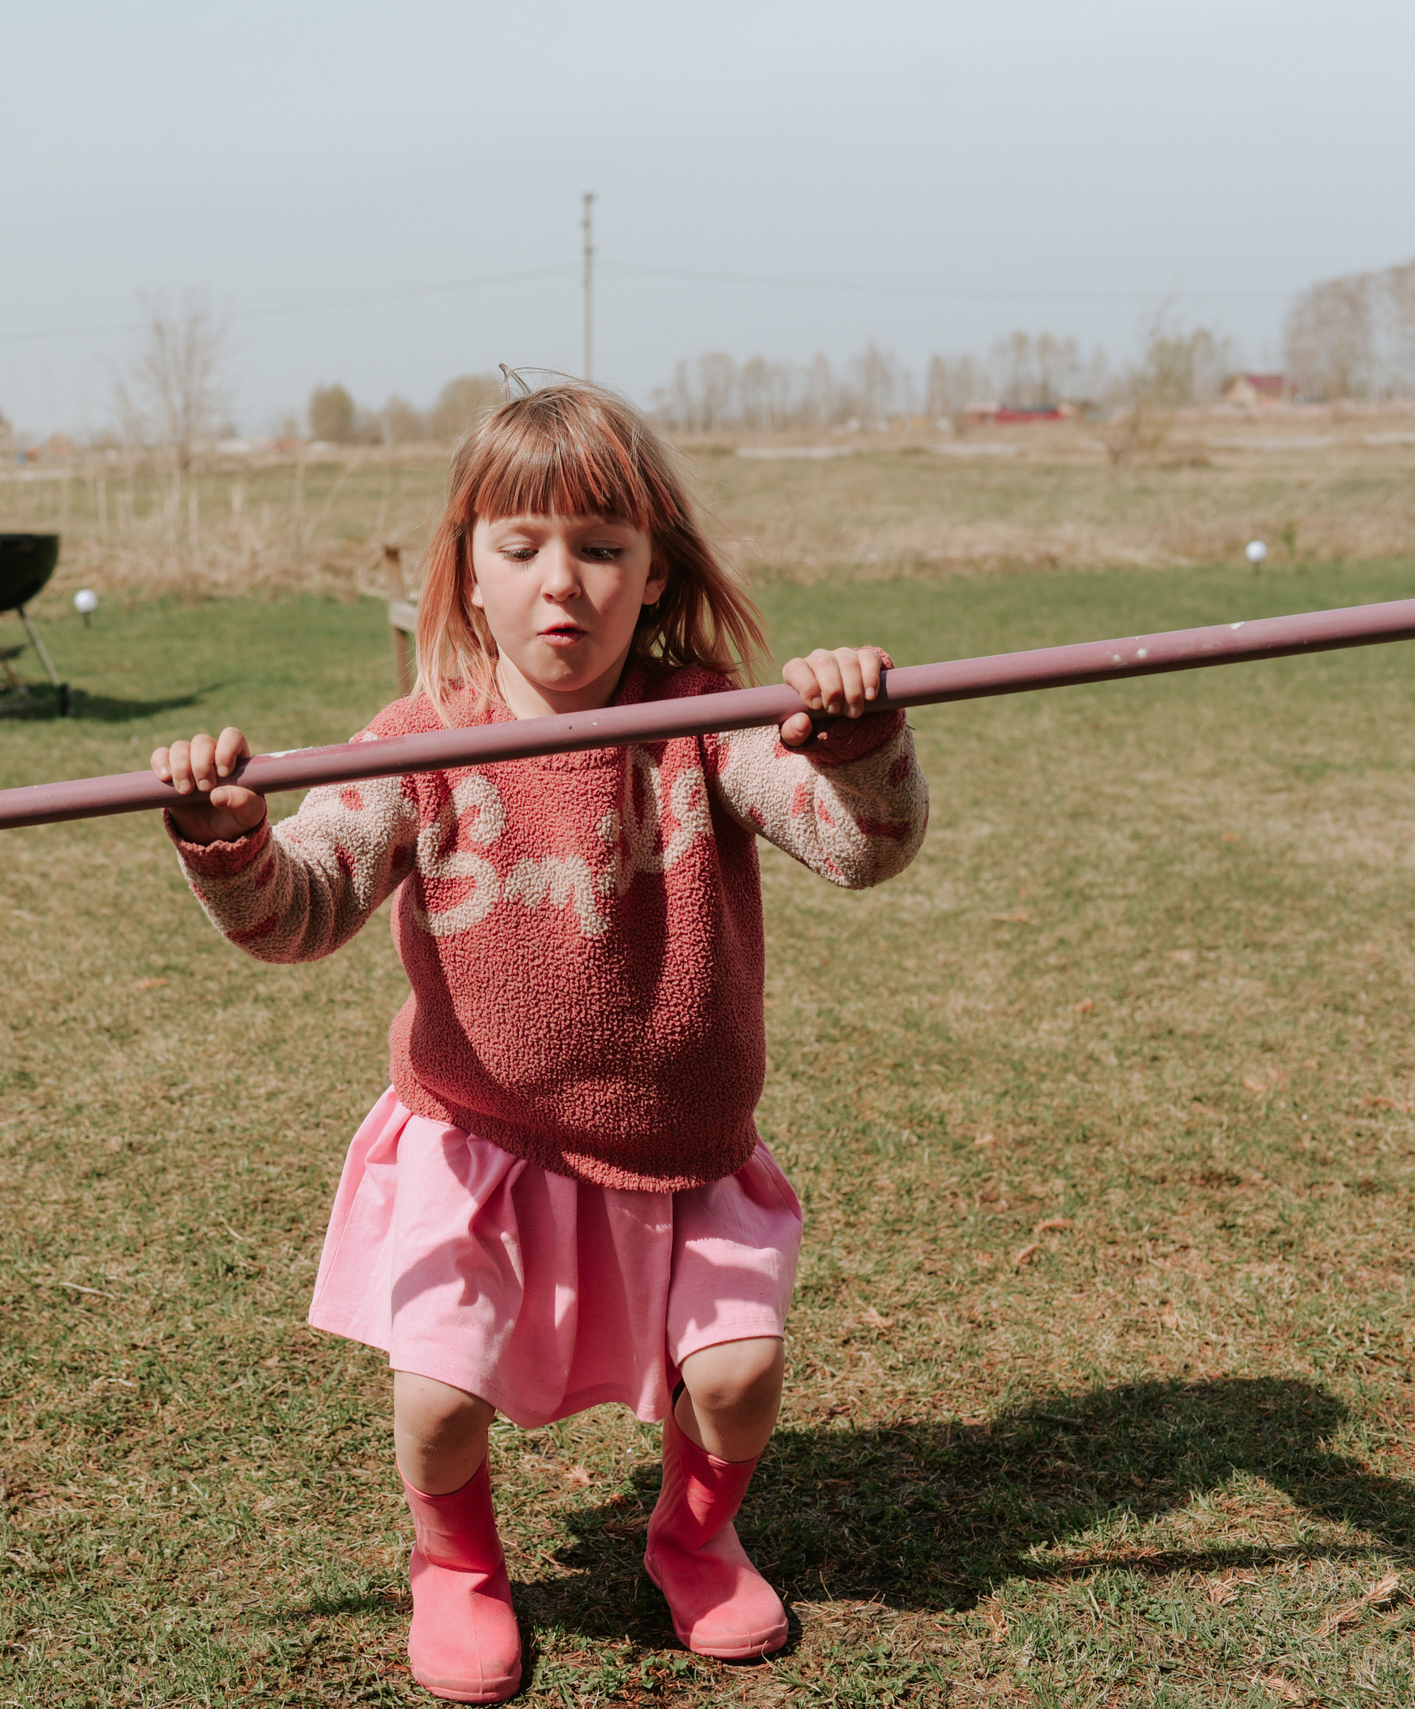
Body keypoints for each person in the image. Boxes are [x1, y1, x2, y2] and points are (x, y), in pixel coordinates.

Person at [149, 382, 928, 1701]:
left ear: (655, 567)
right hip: (484, 1146)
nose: (561, 586)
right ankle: (454, 1567)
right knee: (439, 1399)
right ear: (466, 565)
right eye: (520, 548)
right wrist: (229, 840)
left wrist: (861, 751)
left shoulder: (712, 721)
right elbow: (302, 907)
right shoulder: (419, 744)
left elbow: (861, 848)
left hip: (683, 1147)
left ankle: (694, 1535)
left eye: (601, 548)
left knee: (739, 1381)